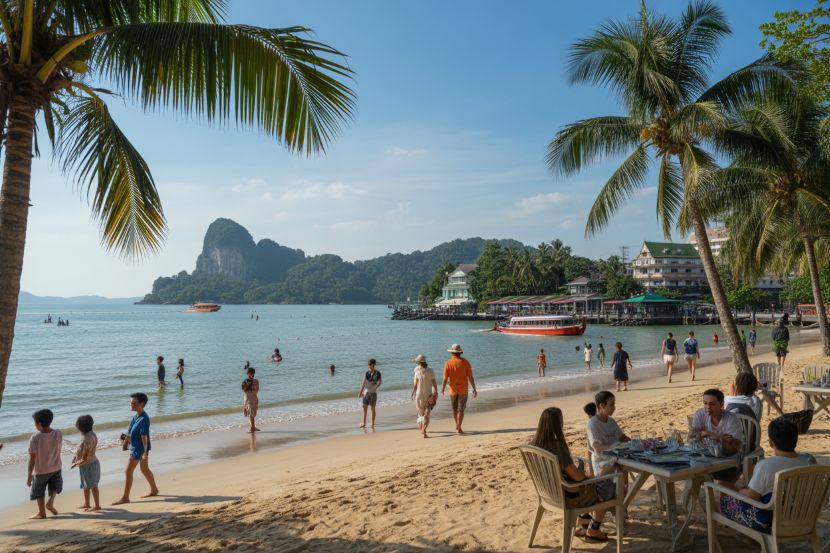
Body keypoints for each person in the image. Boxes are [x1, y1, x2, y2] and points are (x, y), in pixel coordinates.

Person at [531, 407, 614, 541]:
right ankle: (594, 529)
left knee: (593, 481)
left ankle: (583, 519)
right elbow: (578, 477)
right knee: (608, 486)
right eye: (561, 420)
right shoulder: (557, 446)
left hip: (549, 495)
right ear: (558, 424)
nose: (563, 423)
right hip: (569, 499)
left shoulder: (534, 445)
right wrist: (588, 476)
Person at [719, 418, 816, 532]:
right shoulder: (810, 460)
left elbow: (751, 496)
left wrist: (740, 491)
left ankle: (751, 536)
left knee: (724, 501)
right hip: (800, 517)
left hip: (770, 522)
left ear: (771, 443)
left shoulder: (766, 465)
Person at [690, 389, 744, 488]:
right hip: (706, 457)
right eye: (705, 403)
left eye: (712, 404)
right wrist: (719, 437)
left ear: (721, 404)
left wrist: (706, 434)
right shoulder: (700, 413)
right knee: (692, 477)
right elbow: (693, 436)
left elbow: (733, 446)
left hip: (728, 460)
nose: (708, 407)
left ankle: (732, 495)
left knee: (724, 487)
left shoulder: (731, 419)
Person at [113, 393, 159, 504]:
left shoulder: (144, 418)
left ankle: (125, 498)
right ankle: (154, 490)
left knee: (128, 471)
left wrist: (145, 452)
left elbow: (144, 436)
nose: (131, 405)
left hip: (140, 449)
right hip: (136, 447)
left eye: (134, 403)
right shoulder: (136, 417)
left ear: (141, 404)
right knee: (144, 469)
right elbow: (129, 433)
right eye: (130, 403)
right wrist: (125, 441)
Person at [27, 409, 63, 519]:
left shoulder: (35, 437)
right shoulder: (58, 432)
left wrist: (29, 475)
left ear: (38, 423)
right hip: (56, 466)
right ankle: (51, 501)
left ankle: (42, 513)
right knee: (55, 486)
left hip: (41, 470)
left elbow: (32, 458)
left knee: (39, 491)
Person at [587, 391, 630, 477]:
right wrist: (615, 447)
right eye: (611, 405)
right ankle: (623, 486)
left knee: (628, 464)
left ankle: (625, 486)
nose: (614, 408)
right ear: (601, 406)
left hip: (616, 457)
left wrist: (636, 442)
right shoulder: (593, 424)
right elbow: (597, 447)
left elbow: (622, 437)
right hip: (602, 462)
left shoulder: (611, 420)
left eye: (614, 404)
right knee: (621, 467)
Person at [442, 343, 478, 434]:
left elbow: (445, 378)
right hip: (463, 390)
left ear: (451, 353)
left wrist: (442, 388)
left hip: (452, 390)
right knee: (461, 409)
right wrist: (474, 388)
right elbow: (470, 377)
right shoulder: (466, 362)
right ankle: (459, 427)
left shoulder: (448, 363)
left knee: (454, 409)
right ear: (460, 352)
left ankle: (457, 425)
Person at [71, 414, 100, 511]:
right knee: (85, 485)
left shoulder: (86, 439)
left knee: (93, 486)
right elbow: (82, 452)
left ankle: (97, 505)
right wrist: (76, 457)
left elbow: (85, 457)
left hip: (89, 465)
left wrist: (75, 463)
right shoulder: (92, 434)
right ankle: (87, 503)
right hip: (90, 463)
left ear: (81, 428)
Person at [411, 354, 438, 438]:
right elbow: (434, 381)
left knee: (421, 413)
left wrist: (413, 392)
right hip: (427, 395)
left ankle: (422, 430)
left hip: (421, 395)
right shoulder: (430, 370)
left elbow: (416, 383)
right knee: (426, 413)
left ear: (419, 362)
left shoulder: (418, 370)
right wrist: (436, 391)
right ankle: (423, 429)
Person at [358, 359, 382, 428]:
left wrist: (375, 387)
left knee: (372, 408)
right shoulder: (367, 373)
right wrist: (360, 392)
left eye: (369, 364)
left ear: (373, 365)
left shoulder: (378, 373)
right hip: (366, 392)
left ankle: (372, 423)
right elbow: (363, 383)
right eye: (368, 364)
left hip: (373, 393)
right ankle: (364, 423)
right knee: (364, 407)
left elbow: (380, 382)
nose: (368, 366)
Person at [241, 367, 260, 433]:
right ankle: (252, 428)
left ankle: (253, 427)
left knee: (251, 413)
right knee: (251, 413)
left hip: (249, 397)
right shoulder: (253, 381)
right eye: (250, 373)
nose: (251, 374)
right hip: (250, 398)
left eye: (250, 373)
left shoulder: (247, 381)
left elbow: (243, 389)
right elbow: (256, 390)